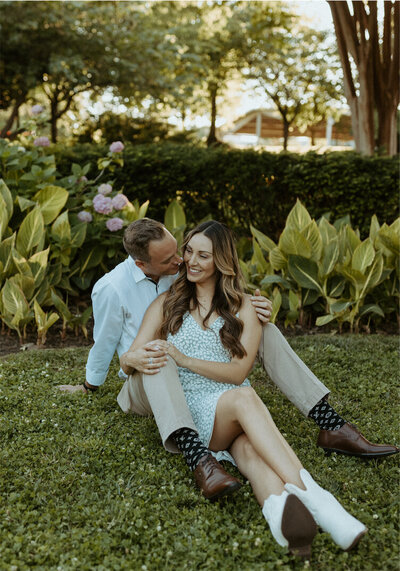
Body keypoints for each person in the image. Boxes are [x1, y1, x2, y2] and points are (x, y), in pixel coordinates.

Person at [59, 217, 398, 491]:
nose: (182, 261)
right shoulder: (111, 288)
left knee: (263, 328)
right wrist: (108, 374)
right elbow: (104, 343)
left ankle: (329, 422)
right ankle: (199, 458)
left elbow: (214, 284)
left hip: (190, 371)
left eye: (183, 251)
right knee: (156, 354)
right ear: (141, 263)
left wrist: (250, 307)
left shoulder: (184, 267)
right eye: (172, 259)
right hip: (146, 378)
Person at [120, 220, 368, 557]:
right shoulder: (166, 303)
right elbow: (129, 356)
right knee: (246, 397)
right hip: (189, 411)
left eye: (203, 255)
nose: (191, 260)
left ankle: (283, 520)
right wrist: (164, 357)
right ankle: (322, 503)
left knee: (252, 454)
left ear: (220, 261)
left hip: (226, 411)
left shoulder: (244, 306)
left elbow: (238, 372)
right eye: (189, 251)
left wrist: (185, 358)